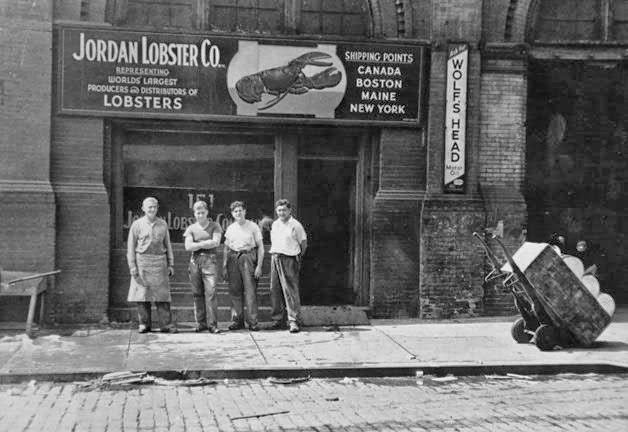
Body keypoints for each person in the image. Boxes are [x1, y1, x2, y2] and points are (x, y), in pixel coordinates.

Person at [127, 197, 177, 333]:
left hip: (160, 262)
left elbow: (168, 245)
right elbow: (131, 247)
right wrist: (132, 266)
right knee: (142, 296)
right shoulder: (137, 225)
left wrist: (170, 264)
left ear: (157, 208)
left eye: (154, 207)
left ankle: (166, 325)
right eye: (149, 207)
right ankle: (144, 324)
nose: (152, 209)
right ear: (143, 208)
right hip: (142, 262)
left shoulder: (163, 224)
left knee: (162, 296)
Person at [222, 201, 264, 331]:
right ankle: (237, 321)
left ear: (245, 211)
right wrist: (224, 265)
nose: (238, 213)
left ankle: (252, 322)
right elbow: (226, 248)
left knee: (250, 290)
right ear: (232, 214)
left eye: (240, 210)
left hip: (248, 257)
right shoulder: (231, 228)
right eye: (235, 211)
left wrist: (259, 266)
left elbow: (261, 247)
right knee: (235, 291)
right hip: (233, 258)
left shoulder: (253, 226)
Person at [184, 200, 223, 333]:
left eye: (202, 212)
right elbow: (188, 246)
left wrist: (198, 244)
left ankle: (212, 325)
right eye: (198, 213)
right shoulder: (191, 228)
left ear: (207, 212)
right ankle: (201, 323)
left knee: (211, 293)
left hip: (209, 262)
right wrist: (205, 243)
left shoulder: (215, 226)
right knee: (197, 294)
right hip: (194, 262)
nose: (200, 215)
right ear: (194, 214)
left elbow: (216, 242)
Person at [268, 199, 307, 333]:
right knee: (275, 289)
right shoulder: (275, 224)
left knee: (290, 290)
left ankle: (293, 321)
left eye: (284, 210)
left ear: (290, 210)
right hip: (275, 257)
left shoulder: (295, 225)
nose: (281, 213)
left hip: (289, 258)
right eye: (279, 210)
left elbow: (303, 244)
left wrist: (296, 258)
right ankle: (278, 319)